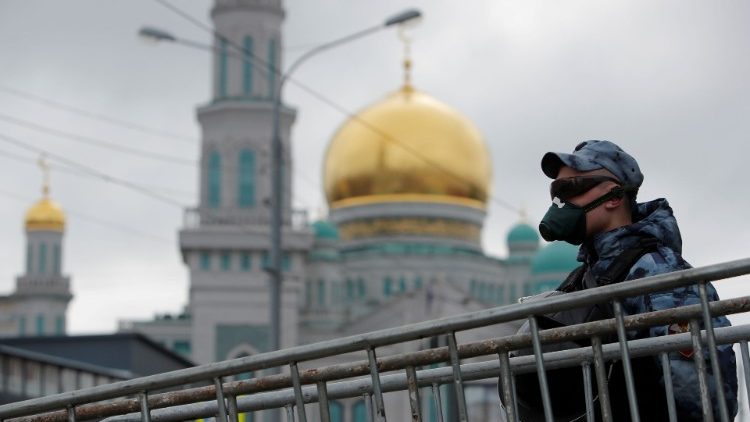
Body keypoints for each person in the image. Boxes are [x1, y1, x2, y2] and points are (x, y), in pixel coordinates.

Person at [534, 140, 738, 420]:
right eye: (555, 191)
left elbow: (702, 393)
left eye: (570, 189)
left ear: (614, 197)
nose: (560, 202)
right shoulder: (583, 276)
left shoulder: (658, 272)